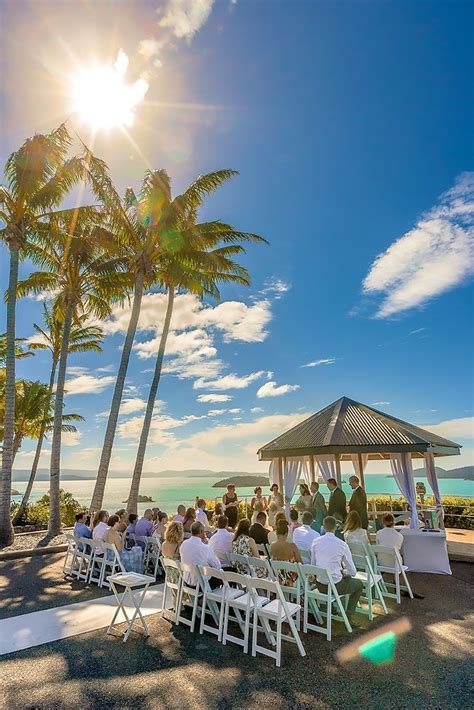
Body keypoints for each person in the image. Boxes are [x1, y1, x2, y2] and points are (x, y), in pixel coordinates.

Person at [310, 516, 364, 625]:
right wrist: (344, 572)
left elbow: (313, 565)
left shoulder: (315, 542)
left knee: (335, 575)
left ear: (324, 527)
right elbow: (353, 572)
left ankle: (333, 609)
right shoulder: (342, 544)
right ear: (335, 527)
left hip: (320, 585)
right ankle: (349, 614)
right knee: (359, 585)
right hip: (335, 586)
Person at [180, 521, 221, 588]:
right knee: (227, 573)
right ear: (201, 531)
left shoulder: (183, 544)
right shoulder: (205, 548)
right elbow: (217, 566)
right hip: (202, 584)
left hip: (187, 581)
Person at [271, 518, 302, 586]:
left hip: (279, 576)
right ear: (286, 533)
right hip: (291, 578)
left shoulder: (272, 546)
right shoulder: (292, 546)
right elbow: (300, 562)